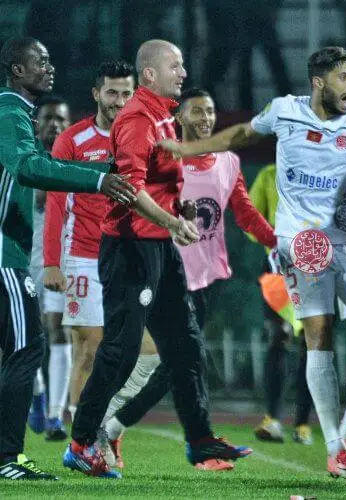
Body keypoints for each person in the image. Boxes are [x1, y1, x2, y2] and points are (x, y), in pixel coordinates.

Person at [158, 46, 346, 479]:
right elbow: (239, 135)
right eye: (343, 78)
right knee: (318, 335)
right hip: (300, 242)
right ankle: (335, 448)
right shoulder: (285, 110)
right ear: (319, 82)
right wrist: (186, 149)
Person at [64, 40, 252, 479]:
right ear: (150, 74)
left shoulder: (163, 116)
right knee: (121, 351)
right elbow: (129, 189)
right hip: (130, 248)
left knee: (186, 343)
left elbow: (158, 180)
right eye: (175, 66)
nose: (183, 73)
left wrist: (177, 208)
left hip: (160, 247)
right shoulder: (136, 119)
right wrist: (171, 220)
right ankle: (80, 442)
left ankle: (200, 439)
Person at [98, 87, 278, 470]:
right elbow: (137, 199)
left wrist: (279, 243)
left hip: (207, 276)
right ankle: (131, 429)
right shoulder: (166, 159)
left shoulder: (228, 161)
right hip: (169, 275)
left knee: (179, 363)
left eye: (210, 111)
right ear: (179, 118)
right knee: (182, 359)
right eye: (197, 111)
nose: (205, 118)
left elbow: (245, 214)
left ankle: (122, 428)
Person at [0, 36, 136, 481]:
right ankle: (8, 457)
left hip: (11, 253)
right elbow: (29, 168)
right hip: (5, 257)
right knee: (28, 348)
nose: (50, 67)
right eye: (40, 61)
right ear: (17, 70)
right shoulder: (8, 111)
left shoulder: (17, 113)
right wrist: (99, 177)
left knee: (22, 349)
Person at [42, 60, 163, 469]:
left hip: (131, 256)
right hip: (83, 258)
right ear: (96, 94)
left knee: (147, 352)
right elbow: (56, 203)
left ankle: (106, 430)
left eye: (127, 93)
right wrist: (52, 263)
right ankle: (84, 446)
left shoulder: (147, 135)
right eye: (112, 92)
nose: (119, 101)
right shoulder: (73, 140)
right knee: (89, 349)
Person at [248, 163, 315, 446]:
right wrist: (274, 238)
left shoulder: (329, 169)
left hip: (316, 267)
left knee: (312, 344)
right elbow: (250, 218)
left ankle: (303, 423)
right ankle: (273, 418)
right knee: (279, 335)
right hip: (277, 265)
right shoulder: (268, 174)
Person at [26, 95, 71, 440]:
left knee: (58, 330)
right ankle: (38, 394)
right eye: (48, 118)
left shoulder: (76, 163)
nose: (54, 125)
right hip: (24, 260)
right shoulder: (21, 159)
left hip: (63, 261)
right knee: (23, 336)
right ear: (36, 124)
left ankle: (56, 415)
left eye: (61, 119)